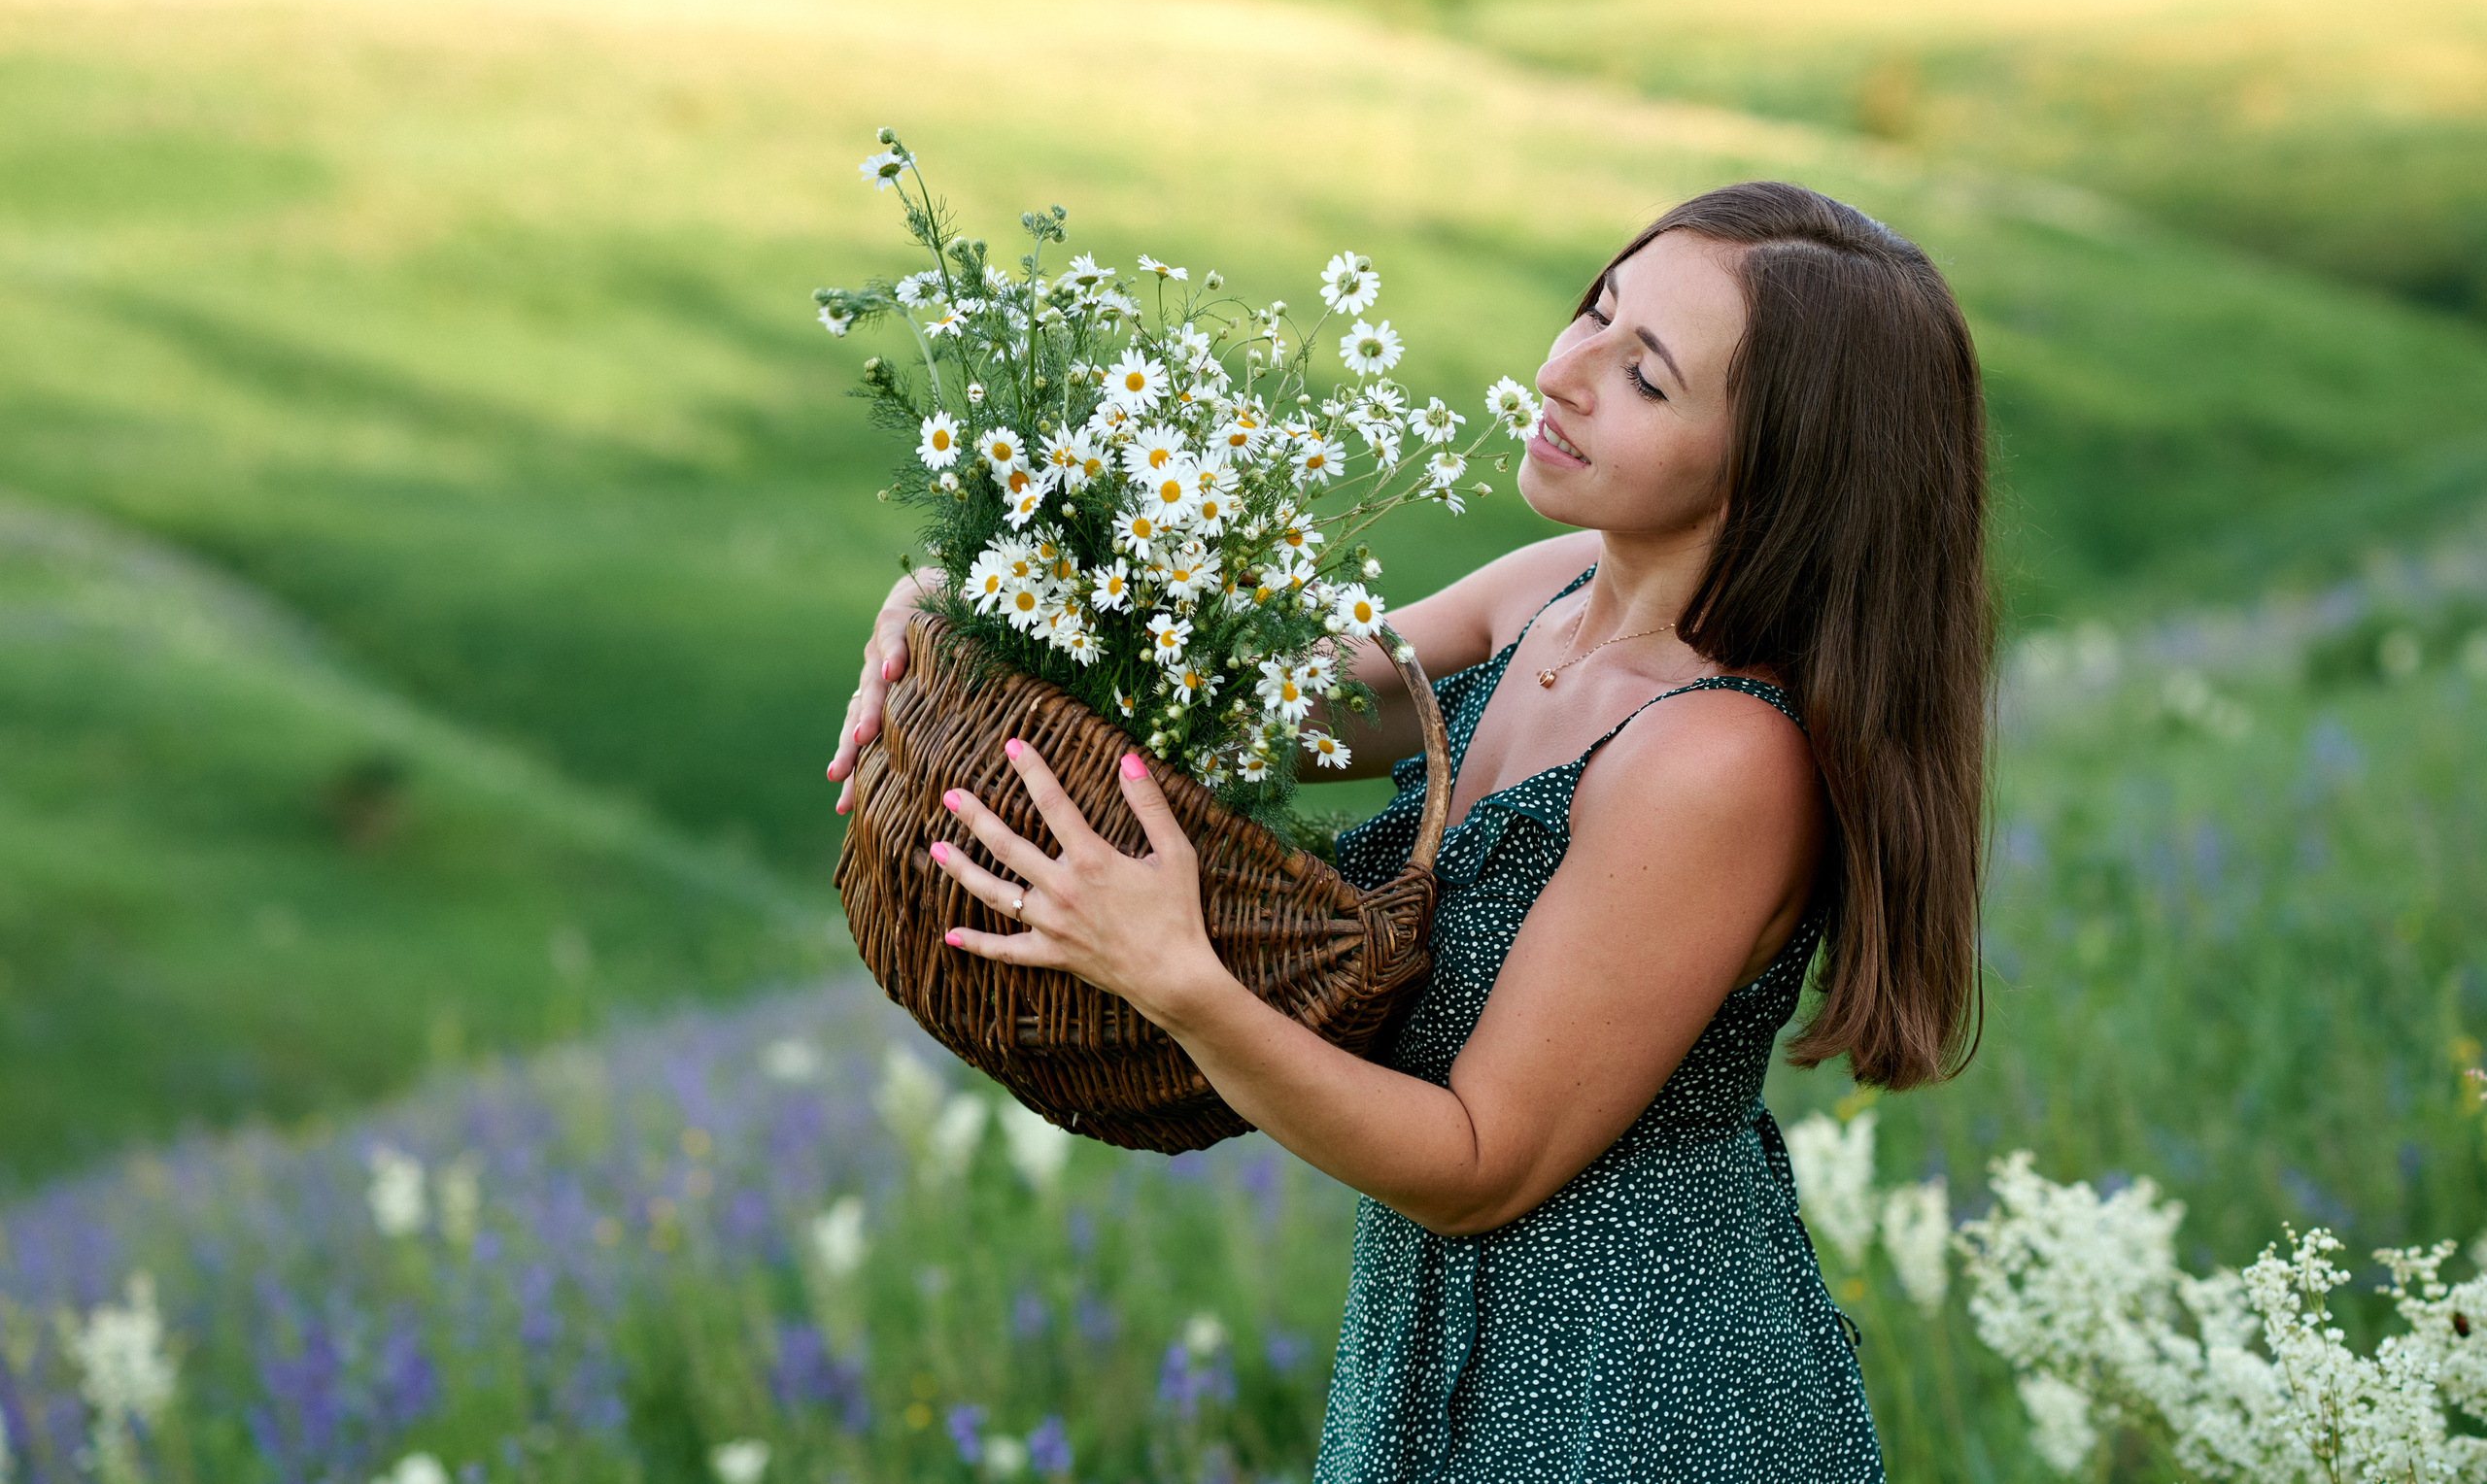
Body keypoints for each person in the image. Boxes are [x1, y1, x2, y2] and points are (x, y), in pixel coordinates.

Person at [826, 182, 1991, 1482]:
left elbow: (1477, 1161)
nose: (1562, 372)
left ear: (1774, 463)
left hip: (1639, 1395)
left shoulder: (1719, 756)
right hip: (1439, 1345)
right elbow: (1229, 709)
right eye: (1596, 310)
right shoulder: (1549, 595)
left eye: (1645, 376)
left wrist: (1176, 975)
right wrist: (976, 601)